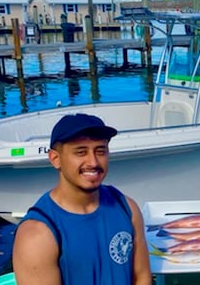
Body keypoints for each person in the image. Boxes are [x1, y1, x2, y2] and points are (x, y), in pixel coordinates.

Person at [12, 113, 152, 285]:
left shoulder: (127, 208)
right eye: (81, 152)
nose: (93, 162)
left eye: (100, 151)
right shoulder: (37, 235)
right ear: (55, 159)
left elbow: (142, 277)